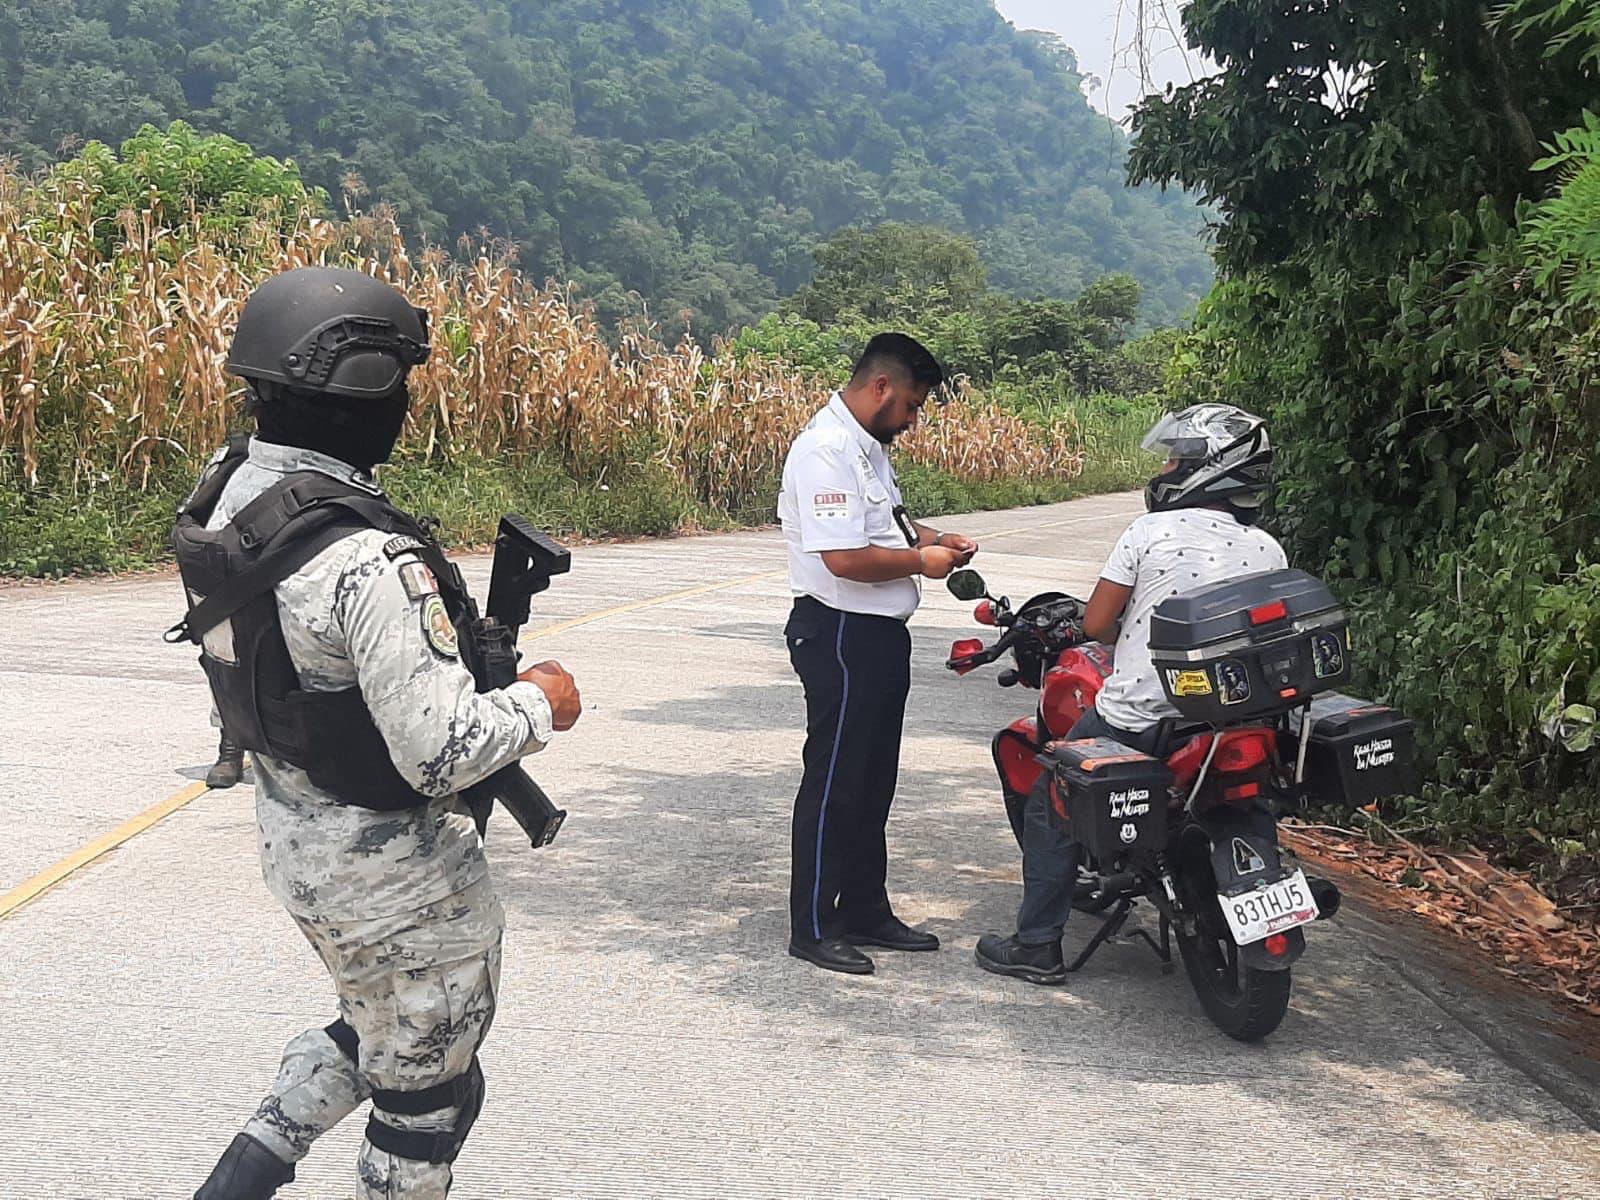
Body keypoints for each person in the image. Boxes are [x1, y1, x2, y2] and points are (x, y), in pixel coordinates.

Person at [174, 267, 582, 1200]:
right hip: (404, 892)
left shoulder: (232, 495)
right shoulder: (364, 555)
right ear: (361, 385)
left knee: (371, 1031)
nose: (403, 401)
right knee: (430, 1101)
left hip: (303, 854)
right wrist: (541, 701)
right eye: (397, 379)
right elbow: (439, 748)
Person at [975, 404, 1283, 985]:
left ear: (1206, 467)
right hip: (1234, 720)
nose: (1165, 468)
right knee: (1252, 803)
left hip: (1144, 717)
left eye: (1175, 458)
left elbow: (1096, 625)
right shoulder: (1267, 547)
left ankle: (1038, 944)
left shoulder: (1148, 531)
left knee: (1049, 803)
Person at [777, 332, 979, 975]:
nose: (914, 420)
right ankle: (811, 925)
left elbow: (885, 525)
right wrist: (924, 559)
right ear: (881, 387)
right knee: (835, 783)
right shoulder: (825, 451)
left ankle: (863, 907)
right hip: (839, 631)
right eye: (913, 406)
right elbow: (843, 557)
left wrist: (935, 536)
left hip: (877, 634)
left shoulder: (865, 449)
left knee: (872, 782)